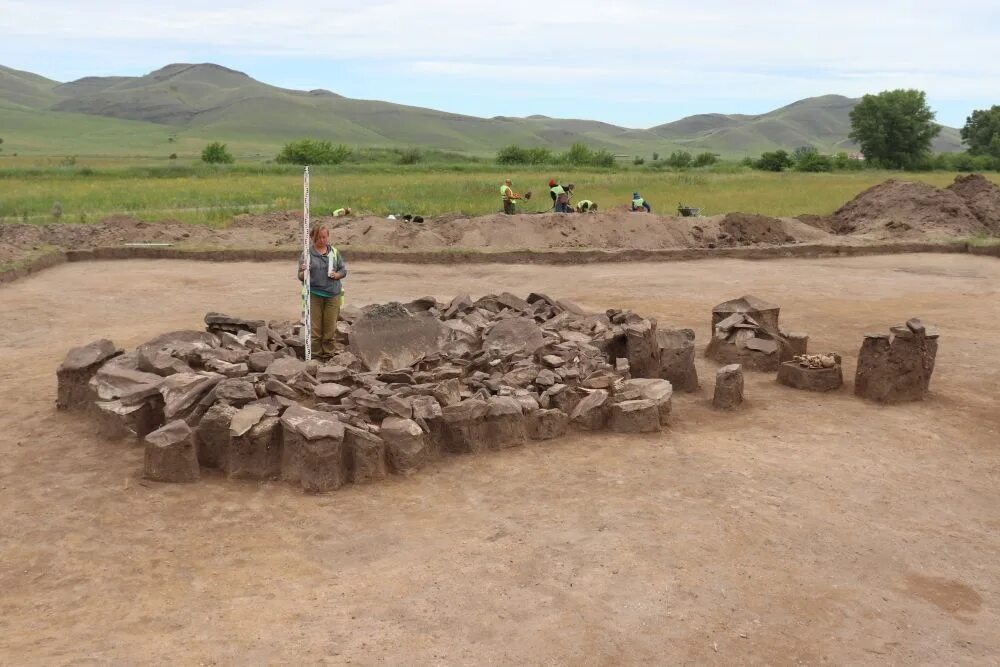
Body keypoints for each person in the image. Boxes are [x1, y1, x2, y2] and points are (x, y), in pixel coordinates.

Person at [297, 225, 347, 359]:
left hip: (332, 295)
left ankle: (329, 355)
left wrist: (337, 275)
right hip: (314, 295)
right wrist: (305, 271)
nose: (322, 240)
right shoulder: (306, 254)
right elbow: (300, 276)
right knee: (315, 329)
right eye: (319, 237)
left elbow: (343, 271)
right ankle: (315, 355)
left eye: (324, 237)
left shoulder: (335, 253)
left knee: (329, 329)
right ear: (313, 238)